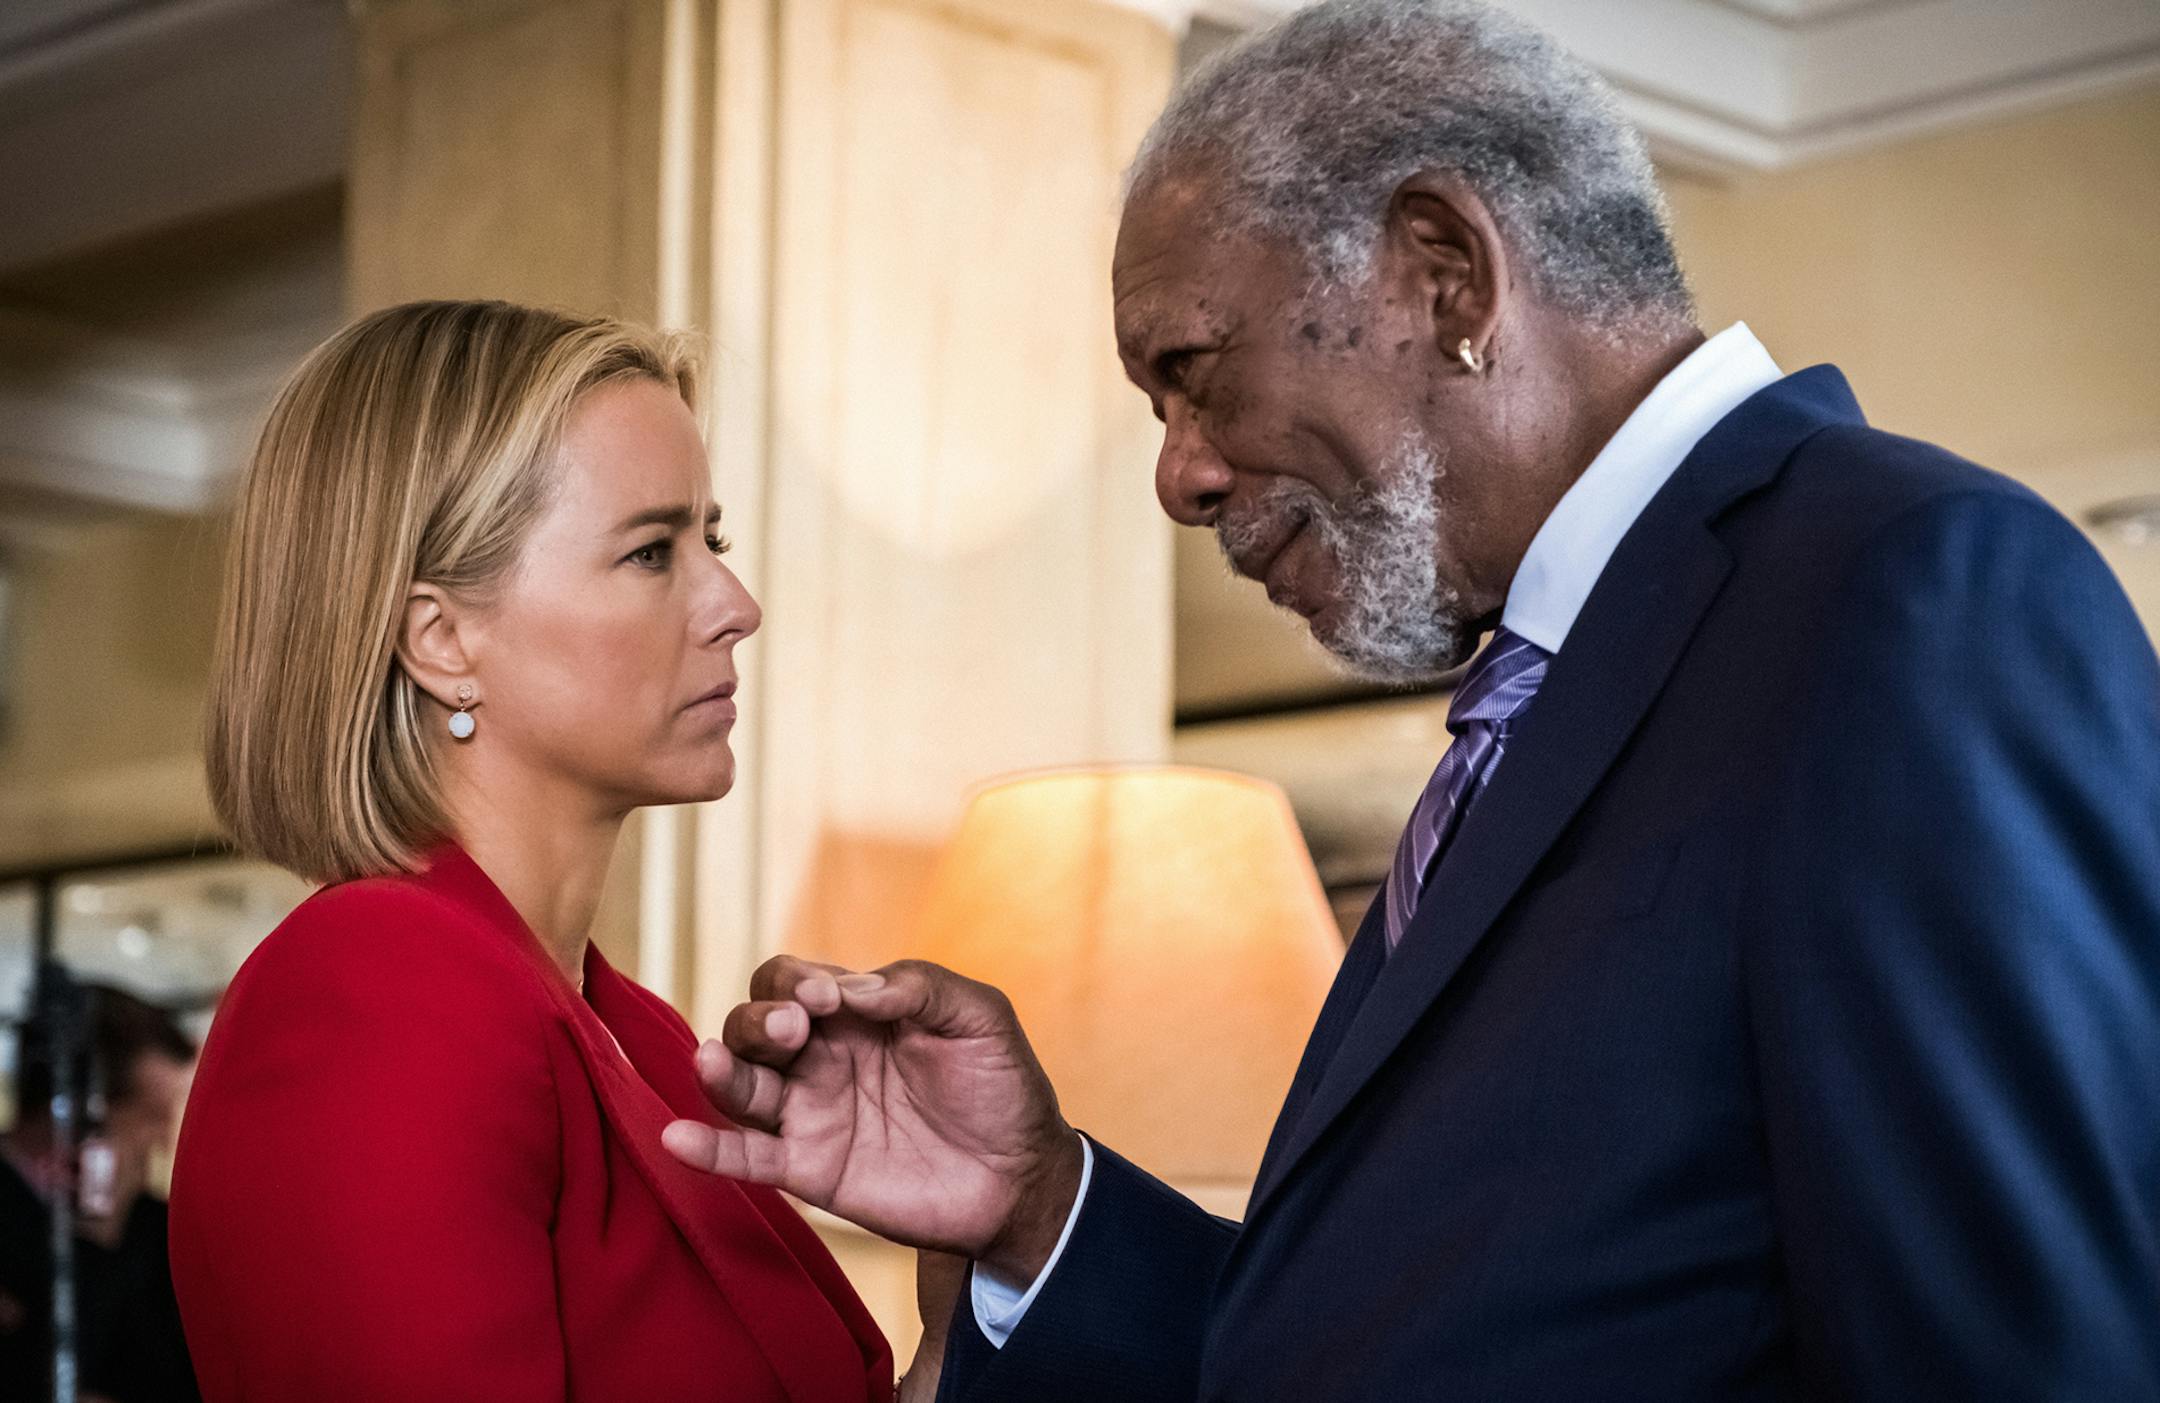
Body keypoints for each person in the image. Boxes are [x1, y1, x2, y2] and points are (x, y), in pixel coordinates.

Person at [661, 1, 2160, 1399]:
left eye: (1193, 371)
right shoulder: (1539, 691)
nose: (1179, 472)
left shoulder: (1910, 597)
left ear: (1446, 270)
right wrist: (1044, 1202)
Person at [169, 300, 895, 1402]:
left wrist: (980, 1253)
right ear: (442, 639)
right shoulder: (379, 986)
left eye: (715, 540)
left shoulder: (630, 1028)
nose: (736, 605)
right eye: (652, 551)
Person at [0, 984, 201, 1403]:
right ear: (82, 1113)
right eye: (149, 1120)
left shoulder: (155, 1229)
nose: (164, 1143)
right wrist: (97, 1227)